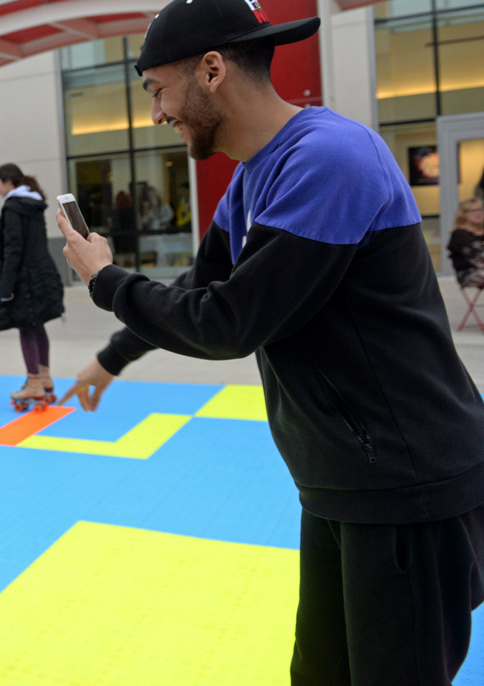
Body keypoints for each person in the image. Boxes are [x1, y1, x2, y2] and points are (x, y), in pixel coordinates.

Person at [56, 1, 484, 683]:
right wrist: (113, 357)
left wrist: (106, 280)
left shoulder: (331, 158)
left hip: (406, 481)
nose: (157, 113)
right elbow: (200, 287)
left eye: (157, 90)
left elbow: (231, 322)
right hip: (337, 477)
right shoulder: (254, 175)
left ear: (212, 70)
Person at [0, 163, 65, 408]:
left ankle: (34, 383)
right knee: (37, 325)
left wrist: (6, 285)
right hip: (42, 273)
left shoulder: (13, 207)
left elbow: (13, 249)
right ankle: (44, 377)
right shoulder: (33, 205)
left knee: (26, 327)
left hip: (25, 278)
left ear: (9, 182)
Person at [447, 197, 484, 288]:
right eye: (473, 211)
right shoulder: (459, 234)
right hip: (469, 274)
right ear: (463, 214)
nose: (478, 213)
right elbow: (477, 258)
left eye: (480, 210)